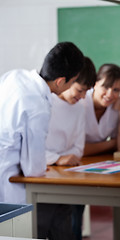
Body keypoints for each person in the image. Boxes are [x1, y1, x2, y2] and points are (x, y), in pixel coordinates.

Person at [0, 42, 84, 204]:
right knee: (13, 228)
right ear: (60, 81)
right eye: (72, 81)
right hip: (7, 181)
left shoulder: (15, 76)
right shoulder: (38, 106)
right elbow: (33, 168)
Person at [37, 57, 97, 240]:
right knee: (40, 227)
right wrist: (58, 158)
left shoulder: (79, 108)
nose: (83, 96)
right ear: (68, 81)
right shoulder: (45, 103)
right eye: (80, 90)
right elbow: (34, 148)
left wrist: (63, 158)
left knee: (65, 230)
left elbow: (78, 148)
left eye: (87, 91)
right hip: (43, 178)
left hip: (66, 179)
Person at [83, 63, 120, 156]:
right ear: (95, 84)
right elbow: (78, 149)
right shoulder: (80, 101)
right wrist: (111, 143)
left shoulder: (118, 107)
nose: (109, 94)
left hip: (101, 159)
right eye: (105, 87)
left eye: (116, 90)